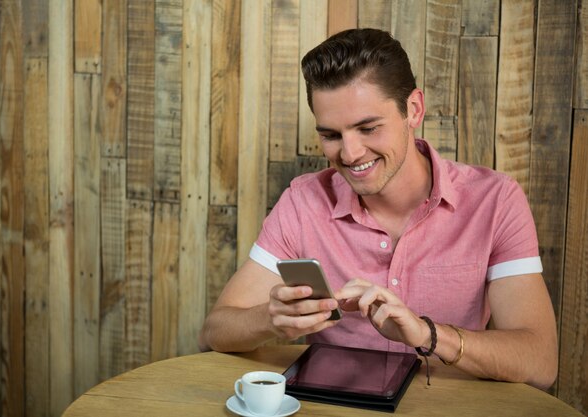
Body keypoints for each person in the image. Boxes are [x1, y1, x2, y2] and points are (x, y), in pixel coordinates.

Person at [198, 28, 558, 390]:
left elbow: (541, 363)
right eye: (331, 136)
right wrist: (271, 319)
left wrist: (426, 333)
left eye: (368, 128)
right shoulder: (303, 201)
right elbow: (215, 332)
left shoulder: (495, 201)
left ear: (413, 109)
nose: (350, 154)